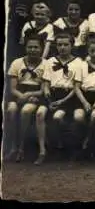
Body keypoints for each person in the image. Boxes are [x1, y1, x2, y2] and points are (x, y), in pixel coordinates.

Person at [5, 35, 49, 164]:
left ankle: (21, 147)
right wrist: (21, 96)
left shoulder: (46, 64)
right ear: (25, 47)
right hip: (18, 93)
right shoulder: (17, 62)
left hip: (36, 94)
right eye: (30, 47)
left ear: (41, 48)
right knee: (11, 109)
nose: (33, 50)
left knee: (26, 110)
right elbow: (12, 88)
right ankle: (13, 146)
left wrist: (29, 94)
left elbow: (43, 89)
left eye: (36, 47)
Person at [43, 32, 84, 161]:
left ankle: (75, 148)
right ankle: (61, 146)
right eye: (59, 45)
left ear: (72, 46)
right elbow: (45, 83)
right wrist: (49, 98)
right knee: (57, 117)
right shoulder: (50, 61)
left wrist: (62, 101)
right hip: (54, 95)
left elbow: (77, 86)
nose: (62, 47)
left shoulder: (79, 62)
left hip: (71, 96)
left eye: (66, 44)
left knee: (77, 118)